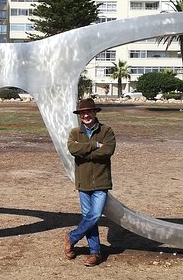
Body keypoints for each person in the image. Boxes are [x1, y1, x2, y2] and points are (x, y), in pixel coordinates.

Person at [64, 97, 116, 267]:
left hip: (101, 181)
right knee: (89, 217)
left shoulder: (107, 131)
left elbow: (108, 151)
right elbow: (73, 149)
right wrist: (94, 145)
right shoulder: (74, 133)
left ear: (95, 112)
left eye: (88, 111)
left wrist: (84, 152)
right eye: (82, 113)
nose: (86, 115)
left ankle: (71, 237)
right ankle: (95, 253)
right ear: (79, 115)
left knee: (94, 216)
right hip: (83, 182)